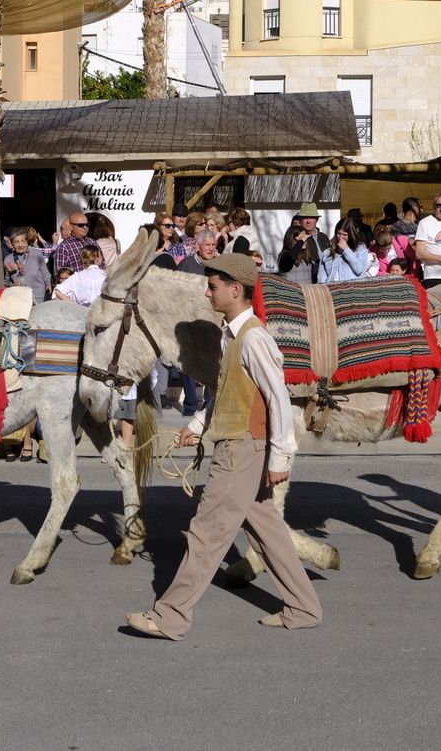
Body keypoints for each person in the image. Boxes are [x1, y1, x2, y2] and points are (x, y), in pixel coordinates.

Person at [123, 252, 321, 639]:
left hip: (243, 449)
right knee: (268, 532)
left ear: (236, 289)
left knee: (206, 531)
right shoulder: (233, 336)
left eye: (213, 287)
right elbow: (228, 393)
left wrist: (281, 456)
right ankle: (304, 608)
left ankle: (171, 616)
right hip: (239, 445)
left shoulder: (254, 338)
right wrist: (197, 424)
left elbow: (278, 398)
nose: (207, 292)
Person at [317, 219, 369, 284]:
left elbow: (359, 269)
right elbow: (321, 278)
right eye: (339, 234)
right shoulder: (327, 252)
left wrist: (346, 249)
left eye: (344, 235)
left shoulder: (360, 249)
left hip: (352, 290)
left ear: (351, 234)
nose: (341, 238)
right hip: (332, 289)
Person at [3, 228, 49, 300]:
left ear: (27, 242)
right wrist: (8, 272)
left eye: (23, 241)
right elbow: (6, 283)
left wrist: (48, 286)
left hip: (38, 296)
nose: (20, 244)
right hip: (19, 298)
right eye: (16, 242)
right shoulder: (8, 259)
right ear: (12, 244)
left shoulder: (36, 254)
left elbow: (45, 273)